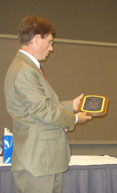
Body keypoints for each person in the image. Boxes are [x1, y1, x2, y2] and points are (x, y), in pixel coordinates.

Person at [4, 16, 92, 193]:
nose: (51, 48)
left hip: (42, 161)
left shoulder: (26, 67)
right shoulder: (24, 71)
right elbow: (44, 110)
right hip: (37, 161)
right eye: (50, 42)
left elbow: (39, 106)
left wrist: (70, 105)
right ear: (36, 39)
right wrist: (74, 118)